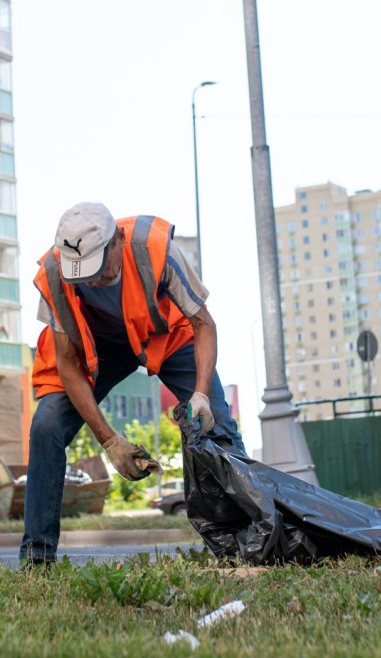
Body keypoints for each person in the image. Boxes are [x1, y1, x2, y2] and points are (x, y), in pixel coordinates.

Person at [20, 202, 246, 566]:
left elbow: (204, 324)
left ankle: (248, 540)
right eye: (83, 276)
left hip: (162, 337)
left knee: (217, 419)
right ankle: (36, 561)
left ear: (118, 241)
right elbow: (65, 362)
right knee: (45, 426)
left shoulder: (155, 250)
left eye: (97, 269)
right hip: (94, 348)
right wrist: (109, 441)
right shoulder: (54, 274)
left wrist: (200, 394)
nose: (91, 282)